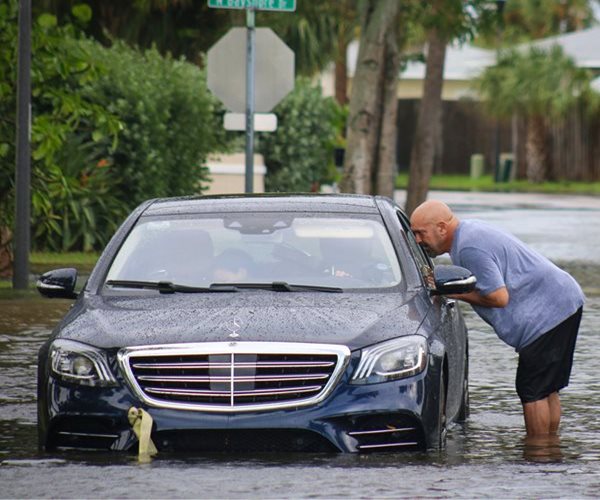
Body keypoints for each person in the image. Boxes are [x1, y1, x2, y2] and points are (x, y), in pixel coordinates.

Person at [410, 199, 584, 437]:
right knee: (546, 389)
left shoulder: (469, 247)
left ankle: (537, 456)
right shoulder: (469, 233)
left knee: (532, 389)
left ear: (441, 227)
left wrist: (451, 292)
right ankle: (550, 452)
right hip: (564, 301)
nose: (418, 240)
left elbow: (499, 297)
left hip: (550, 311)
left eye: (421, 233)